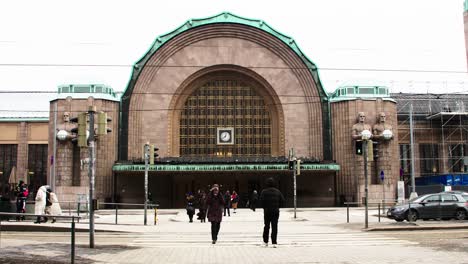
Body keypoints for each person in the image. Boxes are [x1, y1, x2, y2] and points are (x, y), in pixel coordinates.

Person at [260, 177, 285, 248]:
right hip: (275, 212)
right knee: (274, 226)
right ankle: (274, 242)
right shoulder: (278, 191)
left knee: (266, 226)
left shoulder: (264, 191)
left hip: (267, 211)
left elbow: (261, 201)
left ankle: (265, 242)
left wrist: (265, 207)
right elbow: (282, 201)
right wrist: (278, 207)